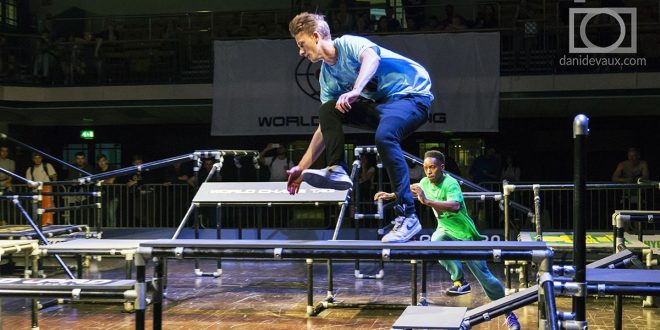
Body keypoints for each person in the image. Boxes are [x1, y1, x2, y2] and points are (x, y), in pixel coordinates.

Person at [286, 12, 434, 243]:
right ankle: (337, 168)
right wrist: (302, 167)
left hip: (412, 97)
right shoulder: (327, 76)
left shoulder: (348, 43)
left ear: (315, 36)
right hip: (384, 107)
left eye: (301, 44)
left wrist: (356, 90)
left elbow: (371, 59)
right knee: (328, 110)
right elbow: (325, 127)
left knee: (384, 138)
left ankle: (408, 216)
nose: (301, 52)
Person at [374, 150, 520, 330]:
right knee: (436, 240)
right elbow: (409, 190)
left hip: (466, 235)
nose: (428, 171)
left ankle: (509, 313)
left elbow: (455, 206)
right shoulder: (424, 183)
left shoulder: (450, 183)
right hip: (445, 230)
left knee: (487, 279)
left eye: (432, 167)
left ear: (442, 168)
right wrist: (391, 195)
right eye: (426, 168)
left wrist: (427, 201)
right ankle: (460, 281)